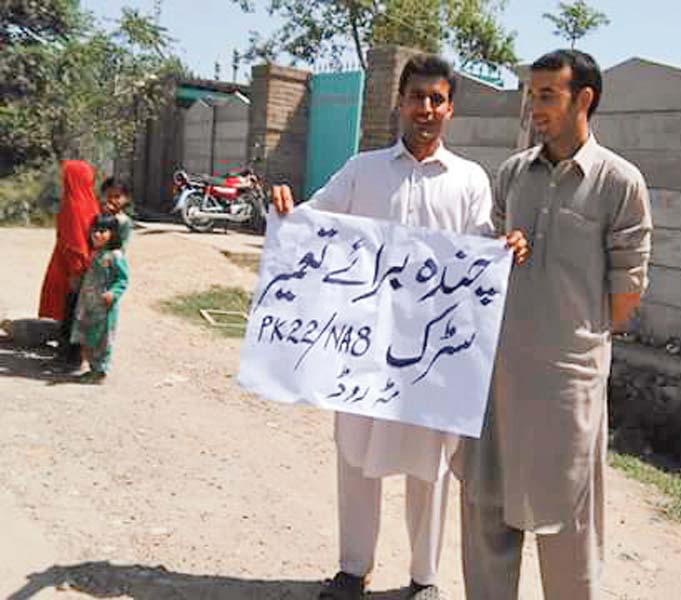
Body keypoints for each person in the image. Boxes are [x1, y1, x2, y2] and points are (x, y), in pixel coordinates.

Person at [270, 54, 528, 600]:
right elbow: (315, 223)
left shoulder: (469, 181)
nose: (426, 108)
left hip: (429, 355)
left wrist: (505, 248)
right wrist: (287, 210)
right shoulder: (363, 171)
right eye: (417, 97)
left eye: (437, 99)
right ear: (400, 102)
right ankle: (352, 568)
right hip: (363, 346)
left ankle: (423, 579)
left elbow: (480, 251)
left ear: (451, 108)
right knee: (355, 457)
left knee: (428, 469)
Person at [454, 49, 653, 599]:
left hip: (567, 389)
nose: (533, 106)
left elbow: (624, 298)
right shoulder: (513, 173)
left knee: (568, 531)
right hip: (498, 382)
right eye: (530, 94)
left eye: (547, 95)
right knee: (486, 516)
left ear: (583, 99)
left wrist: (564, 340)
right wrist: (498, 253)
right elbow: (482, 269)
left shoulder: (619, 183)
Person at [38, 160, 100, 366]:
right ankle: (73, 354)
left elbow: (75, 241)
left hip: (75, 267)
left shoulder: (74, 204)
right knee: (76, 311)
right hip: (83, 265)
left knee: (71, 311)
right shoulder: (89, 200)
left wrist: (76, 270)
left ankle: (69, 358)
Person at [70, 213, 130, 383]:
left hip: (104, 306)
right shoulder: (96, 253)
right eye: (94, 231)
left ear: (113, 233)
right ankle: (92, 369)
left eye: (102, 231)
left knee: (102, 339)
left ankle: (100, 372)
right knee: (88, 336)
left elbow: (122, 279)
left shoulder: (115, 256)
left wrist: (114, 293)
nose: (97, 235)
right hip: (89, 304)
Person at [100, 176, 134, 251]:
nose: (112, 200)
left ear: (127, 198)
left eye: (117, 196)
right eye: (109, 196)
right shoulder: (99, 216)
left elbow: (120, 245)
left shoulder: (125, 221)